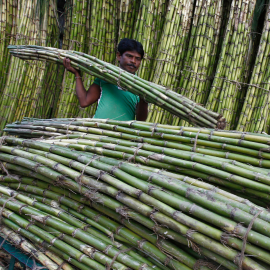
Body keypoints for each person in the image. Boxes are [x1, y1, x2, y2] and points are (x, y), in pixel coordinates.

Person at [63, 38, 148, 121]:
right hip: (98, 131)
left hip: (122, 134)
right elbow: (84, 101)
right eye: (129, 56)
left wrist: (143, 98)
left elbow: (141, 119)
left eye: (138, 58)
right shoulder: (105, 77)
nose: (133, 61)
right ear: (119, 56)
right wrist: (77, 74)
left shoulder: (140, 86)